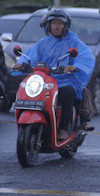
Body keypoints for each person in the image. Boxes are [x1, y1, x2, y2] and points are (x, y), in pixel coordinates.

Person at [13, 9, 95, 140]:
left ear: (65, 26)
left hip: (65, 80)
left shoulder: (74, 42)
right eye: (53, 23)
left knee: (68, 92)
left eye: (60, 23)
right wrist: (21, 63)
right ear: (48, 25)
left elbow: (86, 58)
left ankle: (63, 129)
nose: (56, 26)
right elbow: (30, 55)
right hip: (45, 80)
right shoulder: (43, 43)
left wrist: (75, 66)